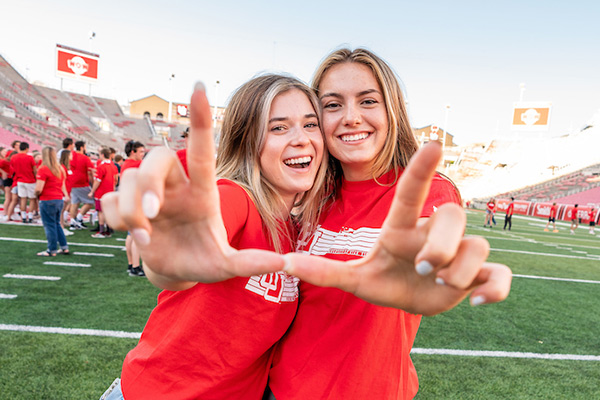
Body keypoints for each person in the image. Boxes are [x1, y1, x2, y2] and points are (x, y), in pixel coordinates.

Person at [267, 48, 511, 399]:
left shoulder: (422, 189)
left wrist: (435, 257)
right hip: (281, 388)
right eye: (333, 105)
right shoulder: (308, 192)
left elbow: (433, 228)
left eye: (368, 102)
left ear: (392, 110)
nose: (351, 117)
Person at [100, 75, 328, 400]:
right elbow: (185, 259)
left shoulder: (299, 231)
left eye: (310, 125)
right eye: (278, 127)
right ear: (247, 142)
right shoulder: (236, 198)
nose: (301, 139)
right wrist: (173, 260)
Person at [34, 147, 70, 256]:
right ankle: (64, 247)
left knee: (49, 225)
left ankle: (52, 249)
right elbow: (63, 184)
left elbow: (39, 188)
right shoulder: (60, 168)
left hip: (47, 199)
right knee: (57, 224)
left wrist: (36, 195)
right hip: (58, 198)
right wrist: (66, 195)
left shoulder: (43, 169)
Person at [121, 140, 147, 276]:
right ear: (133, 152)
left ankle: (131, 264)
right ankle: (136, 267)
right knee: (137, 236)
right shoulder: (138, 164)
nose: (143, 154)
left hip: (128, 202)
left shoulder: (126, 164)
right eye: (141, 151)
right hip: (136, 202)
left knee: (131, 235)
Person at [89, 148, 119, 238]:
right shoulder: (113, 166)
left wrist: (92, 191)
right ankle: (109, 229)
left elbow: (97, 181)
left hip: (101, 192)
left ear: (102, 155)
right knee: (107, 211)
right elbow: (116, 179)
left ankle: (101, 231)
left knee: (101, 212)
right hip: (110, 191)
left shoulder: (101, 166)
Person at [69, 140, 95, 230]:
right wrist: (93, 185)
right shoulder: (85, 158)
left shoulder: (70, 155)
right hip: (81, 183)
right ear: (82, 147)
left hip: (71, 182)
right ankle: (78, 219)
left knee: (74, 203)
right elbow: (90, 172)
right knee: (91, 201)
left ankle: (72, 221)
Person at [10, 142, 37, 223]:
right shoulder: (30, 157)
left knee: (23, 199)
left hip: (19, 180)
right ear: (26, 148)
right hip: (30, 180)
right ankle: (30, 216)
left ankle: (24, 216)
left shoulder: (13, 157)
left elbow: (12, 169)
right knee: (32, 199)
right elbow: (34, 169)